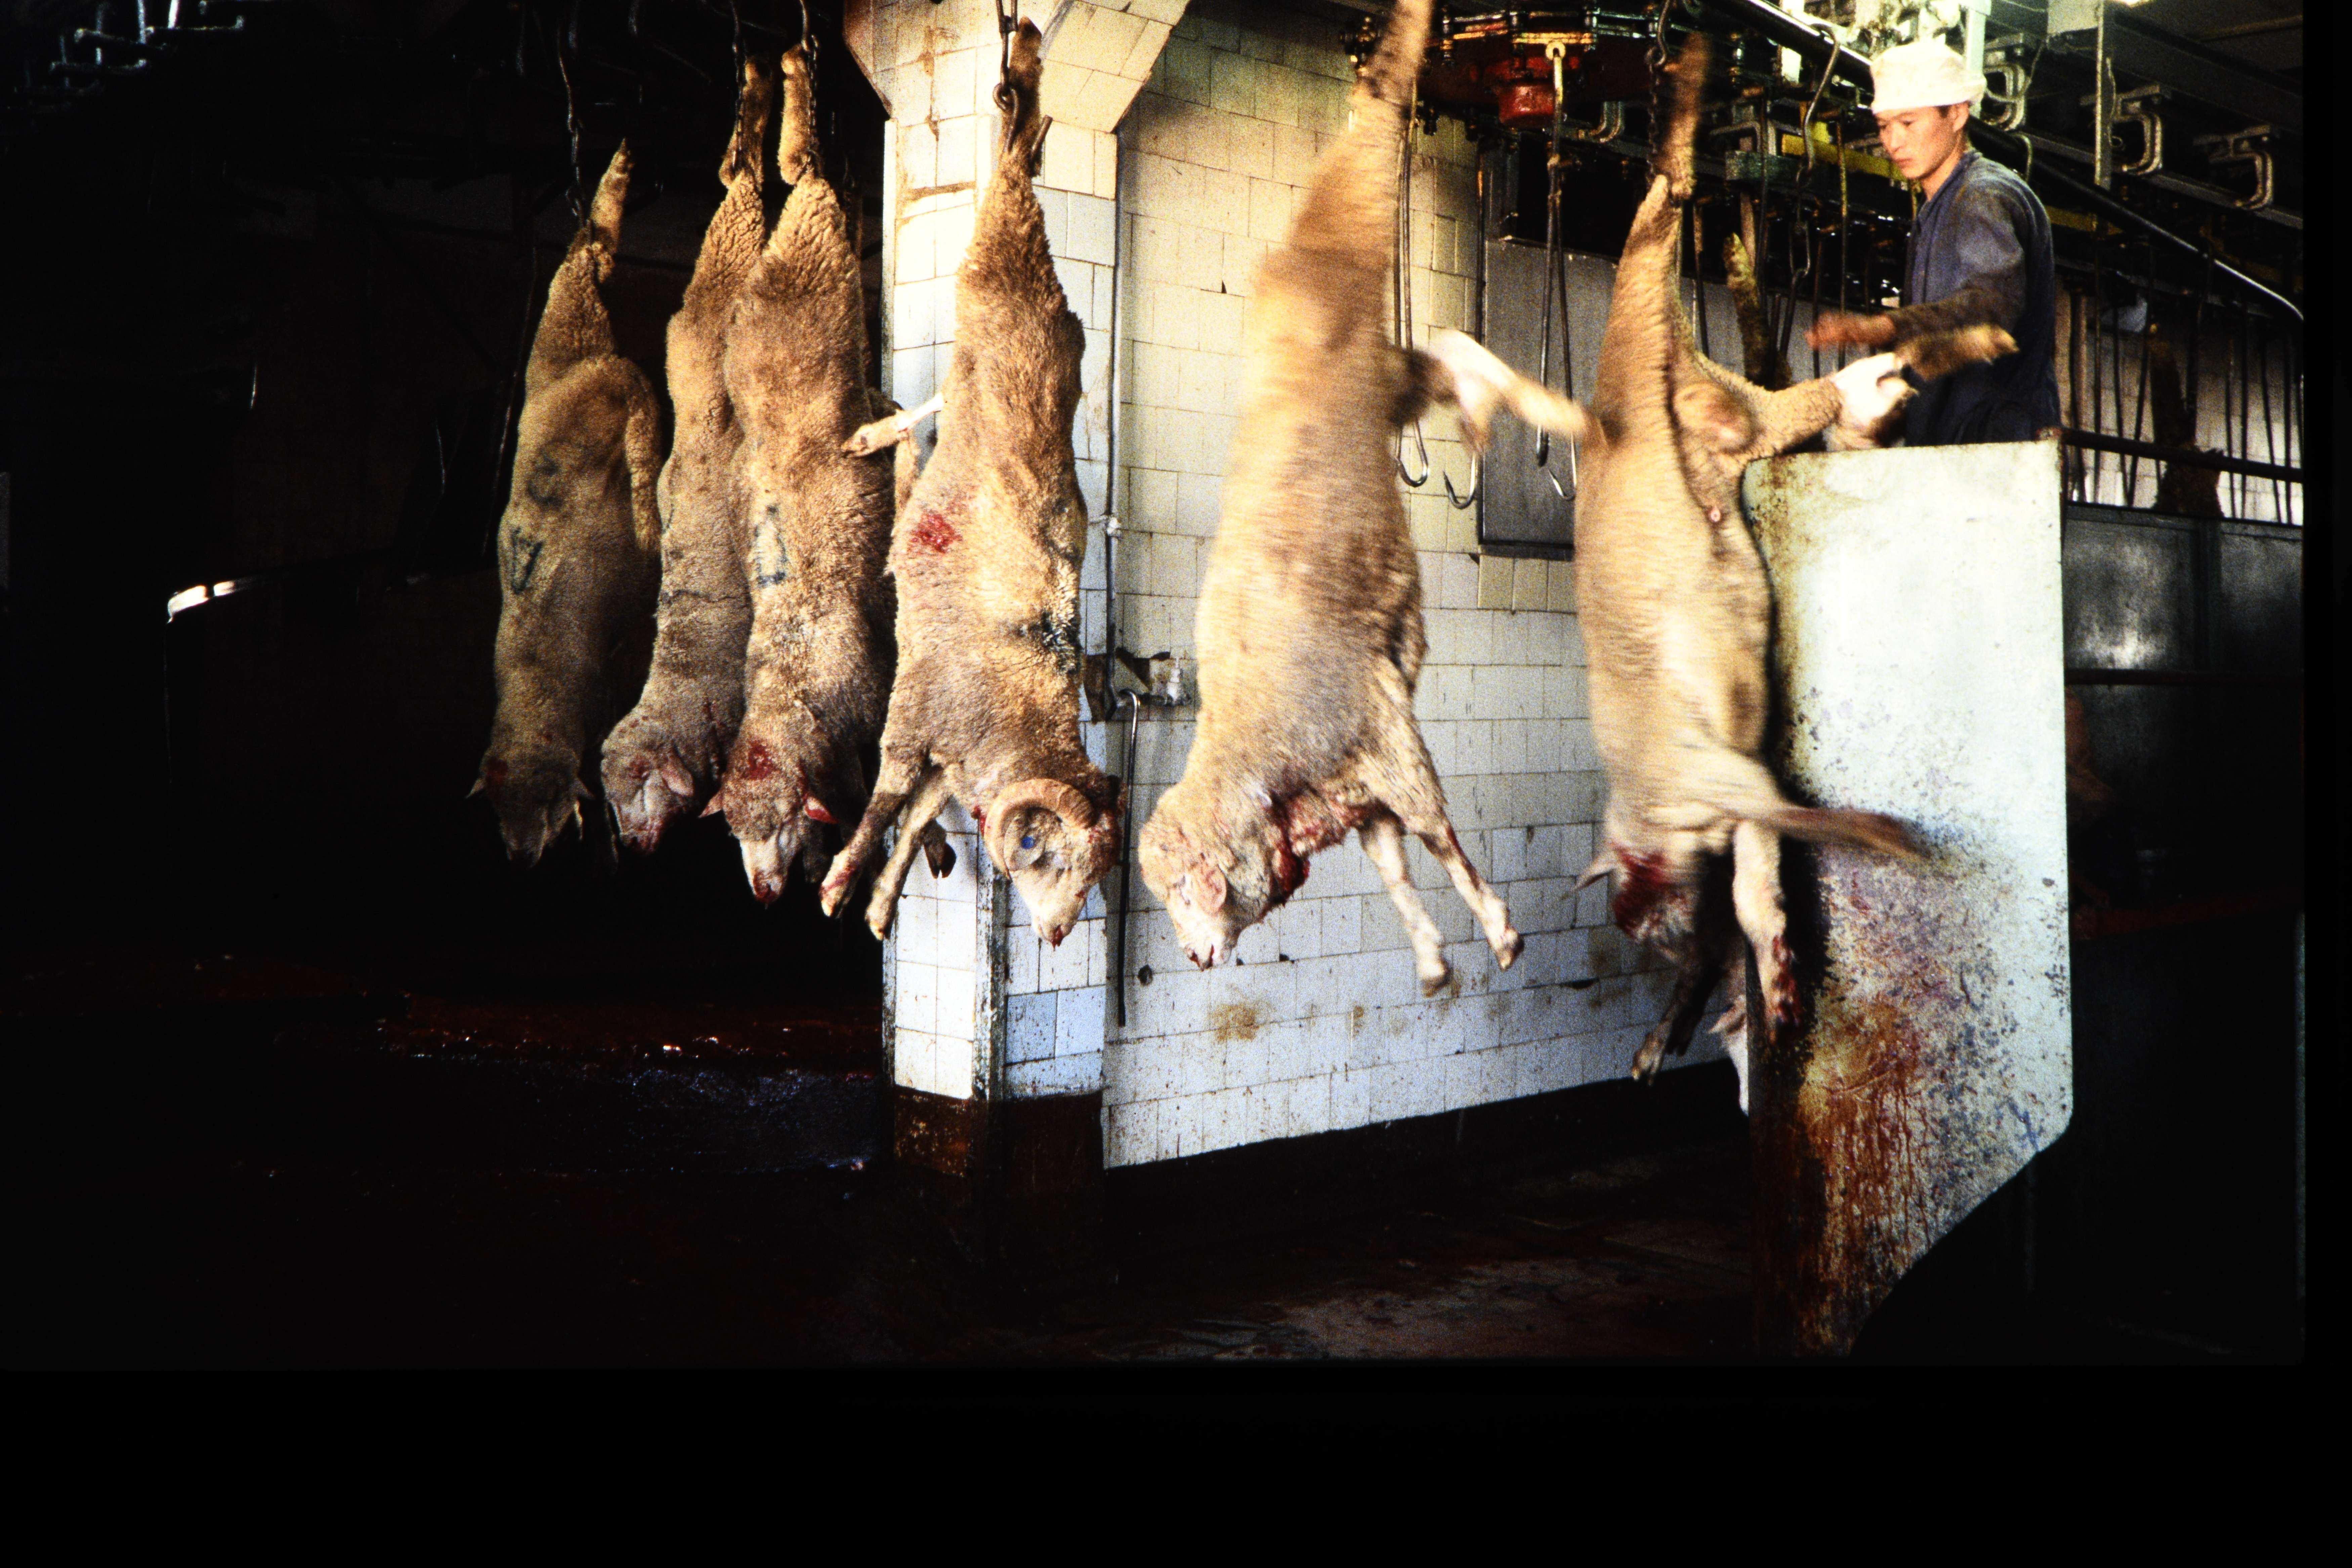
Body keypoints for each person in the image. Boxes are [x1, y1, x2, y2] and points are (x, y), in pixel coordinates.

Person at [1808, 37, 2061, 446]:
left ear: (1957, 114)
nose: (1893, 142)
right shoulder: (1937, 209)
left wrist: (1883, 326)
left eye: (1908, 123)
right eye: (1884, 126)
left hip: (1997, 444)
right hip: (1952, 443)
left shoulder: (1981, 196)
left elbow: (1991, 306)